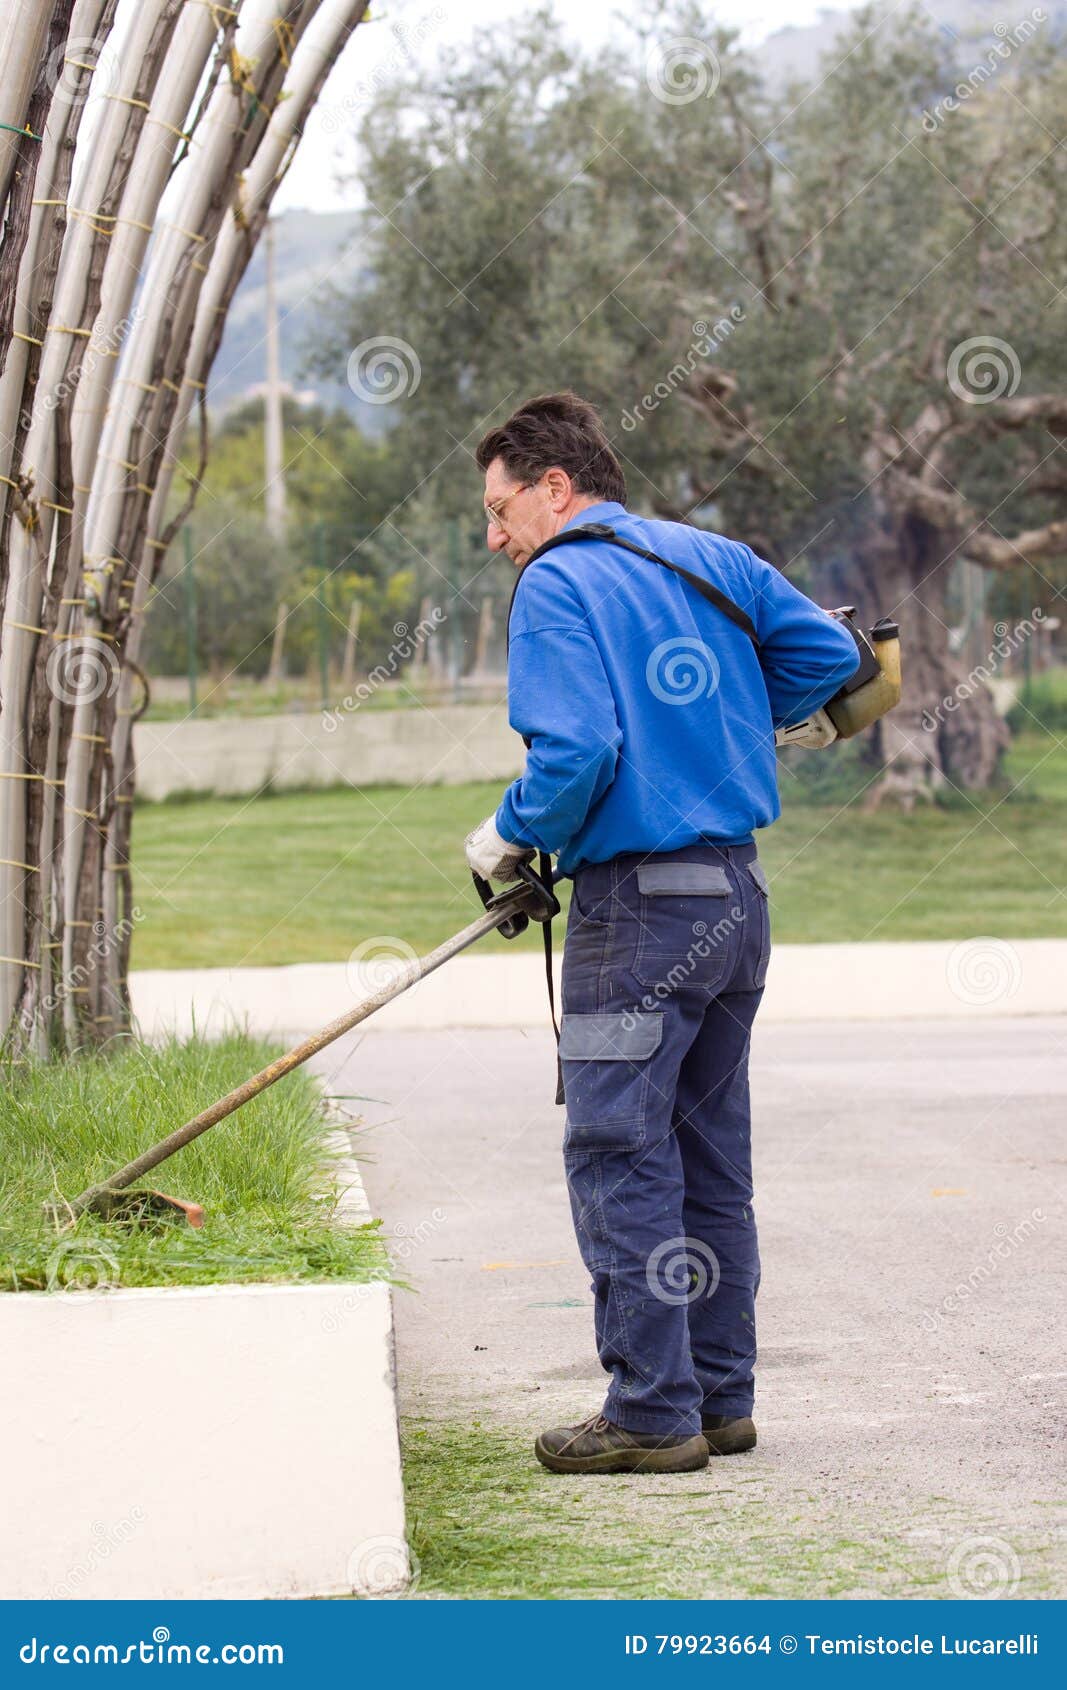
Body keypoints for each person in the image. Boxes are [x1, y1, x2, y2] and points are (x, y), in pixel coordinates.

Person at [464, 392, 859, 1475]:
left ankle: (649, 1413)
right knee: (705, 1159)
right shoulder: (709, 556)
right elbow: (833, 664)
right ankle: (719, 1400)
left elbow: (576, 753)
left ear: (556, 487)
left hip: (634, 915)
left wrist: (503, 836)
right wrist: (720, 723)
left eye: (500, 510)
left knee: (616, 1155)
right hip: (735, 901)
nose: (495, 537)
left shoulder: (556, 580)